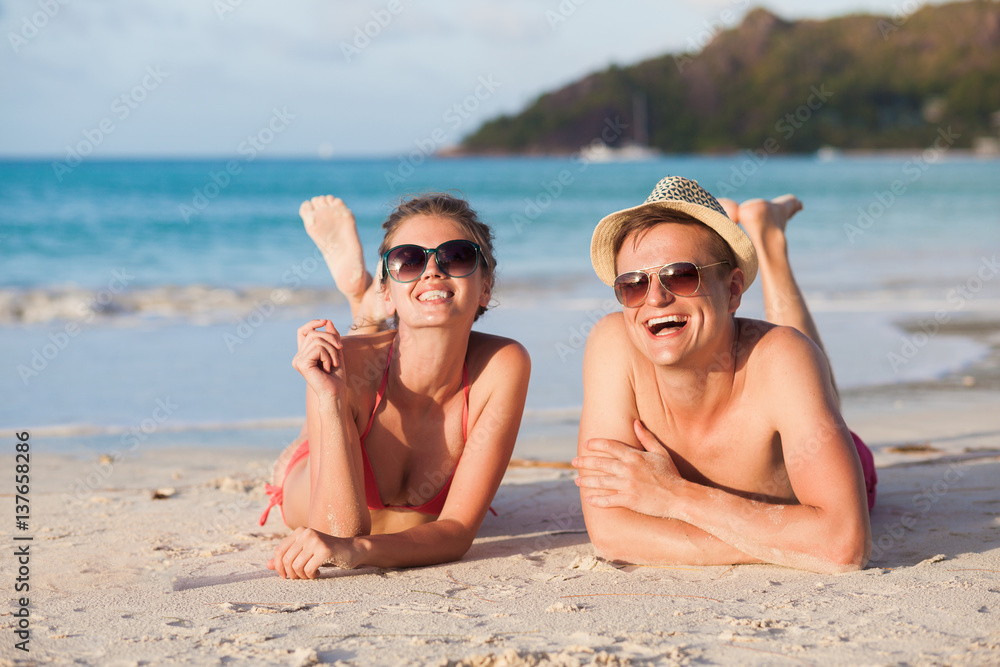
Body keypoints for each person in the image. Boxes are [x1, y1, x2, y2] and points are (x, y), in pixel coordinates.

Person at [572, 176, 876, 574]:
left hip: (818, 446)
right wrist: (779, 539)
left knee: (796, 353)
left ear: (734, 290)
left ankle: (769, 243)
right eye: (633, 284)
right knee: (796, 361)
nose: (655, 298)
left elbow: (843, 544)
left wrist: (674, 496)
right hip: (772, 472)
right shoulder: (613, 343)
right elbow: (610, 534)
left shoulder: (781, 358)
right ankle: (753, 225)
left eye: (681, 275)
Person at [261, 194, 531, 580]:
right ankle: (363, 307)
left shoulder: (503, 365)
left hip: (373, 378)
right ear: (388, 292)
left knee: (358, 365)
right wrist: (331, 401)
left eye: (456, 257)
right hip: (308, 472)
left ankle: (362, 306)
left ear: (485, 287)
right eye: (409, 260)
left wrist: (358, 550)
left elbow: (456, 533)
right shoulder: (346, 362)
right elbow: (338, 534)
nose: (433, 271)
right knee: (350, 368)